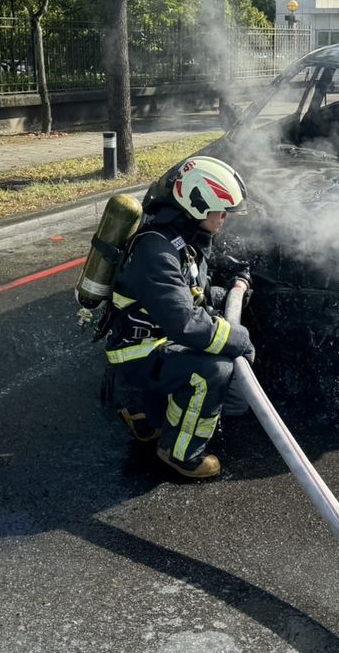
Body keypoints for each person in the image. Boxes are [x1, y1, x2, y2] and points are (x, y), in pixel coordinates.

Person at [106, 156, 255, 479]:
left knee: (208, 356)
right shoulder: (156, 251)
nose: (224, 219)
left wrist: (228, 291)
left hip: (155, 340)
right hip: (137, 351)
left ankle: (143, 415)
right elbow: (185, 322)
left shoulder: (178, 239)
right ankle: (181, 453)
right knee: (213, 371)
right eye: (221, 211)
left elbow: (189, 293)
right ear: (197, 205)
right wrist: (237, 338)